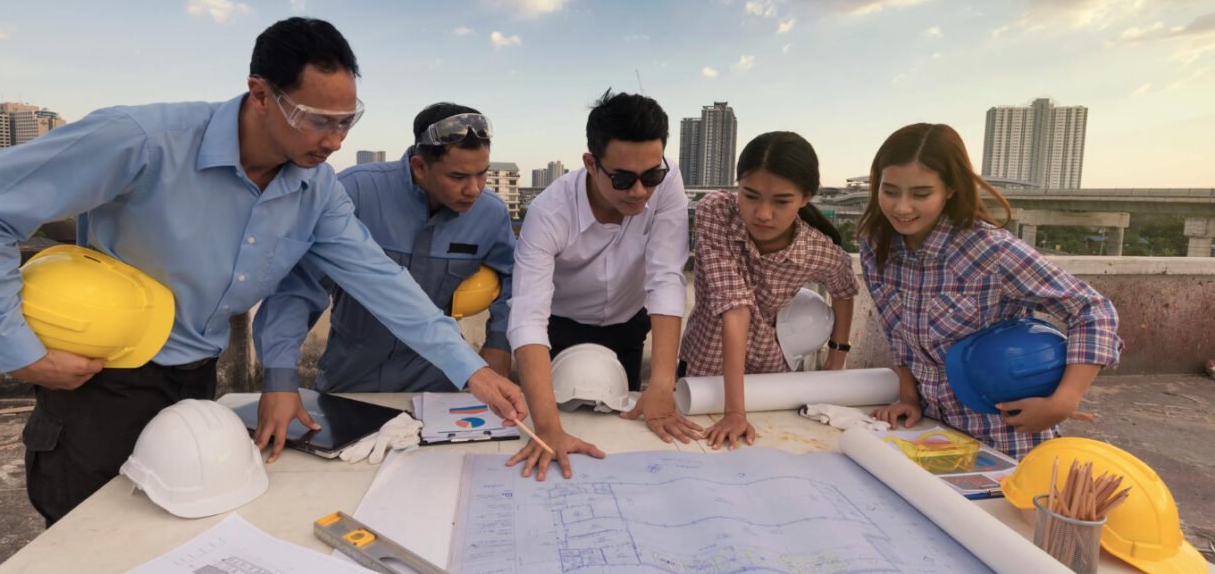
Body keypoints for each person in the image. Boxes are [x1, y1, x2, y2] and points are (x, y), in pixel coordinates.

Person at [0, 17, 526, 525]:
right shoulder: (143, 141)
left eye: (348, 121)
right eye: (319, 119)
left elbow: (381, 281)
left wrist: (470, 370)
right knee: (92, 531)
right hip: (102, 379)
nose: (336, 141)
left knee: (182, 524)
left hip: (195, 378)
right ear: (261, 94)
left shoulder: (315, 188)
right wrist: (14, 347)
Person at [859, 123, 1122, 459]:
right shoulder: (877, 248)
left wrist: (1064, 401)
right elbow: (896, 331)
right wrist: (909, 398)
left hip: (1005, 437)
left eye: (921, 194)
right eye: (890, 191)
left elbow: (1092, 310)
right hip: (931, 433)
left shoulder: (990, 250)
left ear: (951, 189)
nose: (902, 208)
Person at [505, 89, 702, 481]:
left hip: (628, 324)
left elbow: (665, 278)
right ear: (591, 163)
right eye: (624, 179)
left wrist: (662, 385)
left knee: (620, 432)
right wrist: (546, 429)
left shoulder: (668, 182)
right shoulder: (549, 213)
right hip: (558, 328)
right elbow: (528, 316)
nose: (641, 192)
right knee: (560, 424)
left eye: (651, 176)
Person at [254, 102, 514, 393]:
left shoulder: (491, 214)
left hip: (439, 378)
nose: (474, 189)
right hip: (350, 376)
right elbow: (300, 287)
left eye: (482, 174)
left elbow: (515, 280)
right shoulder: (354, 192)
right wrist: (279, 376)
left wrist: (499, 343)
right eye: (458, 177)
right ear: (419, 167)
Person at [680, 132, 859, 450]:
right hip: (701, 365)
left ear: (805, 198)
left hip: (772, 379)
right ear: (737, 186)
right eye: (750, 196)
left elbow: (845, 288)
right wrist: (735, 411)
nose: (763, 213)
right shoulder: (717, 212)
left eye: (781, 201)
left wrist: (837, 356)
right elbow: (735, 305)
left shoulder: (816, 250)